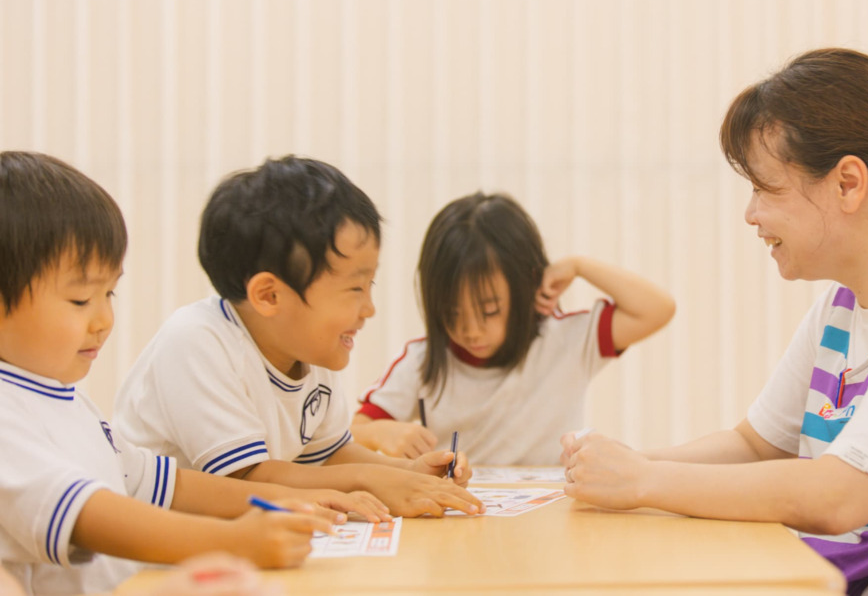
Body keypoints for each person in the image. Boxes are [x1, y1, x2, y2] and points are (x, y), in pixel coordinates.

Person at [561, 48, 868, 594]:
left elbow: (837, 497)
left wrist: (644, 481)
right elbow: (755, 446)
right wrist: (624, 464)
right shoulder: (842, 306)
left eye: (763, 188)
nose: (751, 215)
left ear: (848, 183)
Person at [0, 151, 369, 596]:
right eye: (80, 300)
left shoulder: (64, 399)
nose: (103, 320)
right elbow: (90, 515)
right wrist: (232, 541)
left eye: (109, 293)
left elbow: (161, 482)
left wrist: (285, 500)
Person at [114, 156, 483, 519]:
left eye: (369, 285)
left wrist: (408, 473)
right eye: (355, 288)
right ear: (270, 296)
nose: (369, 308)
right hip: (153, 561)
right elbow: (249, 476)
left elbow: (328, 454)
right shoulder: (196, 342)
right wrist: (372, 480)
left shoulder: (308, 349)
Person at [352, 192, 675, 465]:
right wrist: (381, 432)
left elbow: (657, 309)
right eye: (451, 313)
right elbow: (355, 430)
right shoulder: (421, 361)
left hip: (554, 514)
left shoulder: (566, 340)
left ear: (527, 285)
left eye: (489, 310)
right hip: (459, 518)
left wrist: (579, 266)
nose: (471, 331)